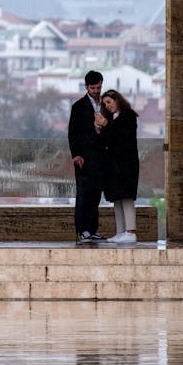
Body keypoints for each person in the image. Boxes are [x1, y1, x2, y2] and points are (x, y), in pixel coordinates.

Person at [67, 71, 107, 244]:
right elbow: (72, 134)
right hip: (84, 159)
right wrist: (76, 155)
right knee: (84, 195)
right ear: (86, 87)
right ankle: (82, 230)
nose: (96, 91)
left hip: (100, 158)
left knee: (96, 195)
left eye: (99, 87)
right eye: (93, 88)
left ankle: (92, 229)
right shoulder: (78, 107)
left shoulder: (106, 105)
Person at [99, 89, 140, 245]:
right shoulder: (112, 118)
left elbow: (122, 137)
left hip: (126, 164)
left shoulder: (128, 116)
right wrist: (101, 128)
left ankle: (130, 231)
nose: (108, 106)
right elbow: (107, 140)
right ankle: (120, 231)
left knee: (127, 197)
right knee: (117, 198)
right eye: (105, 104)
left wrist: (107, 125)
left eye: (109, 102)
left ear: (117, 100)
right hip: (114, 165)